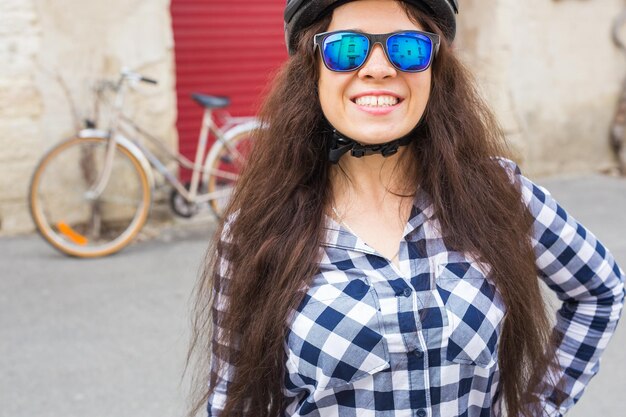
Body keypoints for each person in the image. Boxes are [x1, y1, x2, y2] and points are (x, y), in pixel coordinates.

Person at [186, 1, 625, 416]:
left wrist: (540, 407)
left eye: (408, 48)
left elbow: (601, 290)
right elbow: (233, 401)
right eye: (347, 48)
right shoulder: (257, 230)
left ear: (434, 69)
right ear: (313, 71)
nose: (378, 69)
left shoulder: (497, 193)